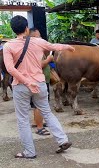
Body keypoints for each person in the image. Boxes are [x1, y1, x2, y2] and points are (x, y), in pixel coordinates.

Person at [3, 15, 74, 159]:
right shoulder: (38, 42)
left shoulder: (8, 46)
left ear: (13, 30)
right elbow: (55, 47)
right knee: (47, 113)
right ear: (26, 28)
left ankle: (29, 152)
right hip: (40, 84)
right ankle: (63, 140)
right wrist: (68, 46)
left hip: (20, 86)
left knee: (22, 119)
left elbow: (10, 69)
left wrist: (27, 81)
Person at [29, 27, 52, 136]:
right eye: (39, 37)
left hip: (41, 80)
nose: (41, 39)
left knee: (38, 104)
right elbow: (40, 65)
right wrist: (48, 60)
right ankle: (39, 127)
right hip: (38, 80)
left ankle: (37, 122)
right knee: (39, 104)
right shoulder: (34, 51)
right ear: (32, 37)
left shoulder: (36, 48)